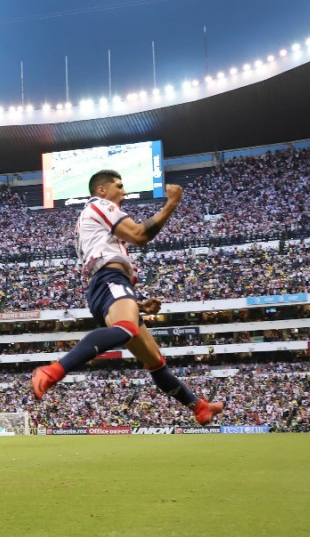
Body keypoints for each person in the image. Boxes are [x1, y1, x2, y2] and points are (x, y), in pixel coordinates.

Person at [30, 170, 224, 425]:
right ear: (102, 190)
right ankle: (53, 371)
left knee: (155, 361)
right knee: (127, 328)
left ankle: (199, 406)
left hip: (107, 286)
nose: (124, 191)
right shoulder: (101, 205)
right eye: (119, 186)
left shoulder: (89, 220)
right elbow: (140, 235)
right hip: (109, 280)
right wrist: (172, 204)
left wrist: (137, 304)